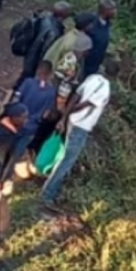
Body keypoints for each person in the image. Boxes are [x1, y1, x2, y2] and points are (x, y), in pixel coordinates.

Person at [42, 67, 111, 206]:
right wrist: (69, 112)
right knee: (66, 161)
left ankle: (49, 182)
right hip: (81, 126)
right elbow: (84, 105)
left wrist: (64, 116)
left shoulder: (91, 78)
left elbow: (76, 96)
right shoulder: (105, 88)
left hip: (72, 121)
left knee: (63, 156)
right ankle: (48, 193)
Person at [17, 2, 72, 86]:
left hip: (30, 52)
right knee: (28, 80)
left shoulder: (44, 18)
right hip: (36, 58)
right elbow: (46, 50)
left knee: (24, 77)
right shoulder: (55, 32)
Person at [13, 61, 58, 162]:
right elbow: (46, 114)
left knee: (8, 145)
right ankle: (9, 170)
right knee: (18, 152)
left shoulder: (28, 82)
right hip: (31, 127)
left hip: (16, 121)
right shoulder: (51, 92)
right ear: (50, 74)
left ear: (38, 70)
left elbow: (15, 99)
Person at [0, 103, 28, 186]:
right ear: (14, 117)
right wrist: (0, 180)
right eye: (23, 117)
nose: (26, 120)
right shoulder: (5, 136)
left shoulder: (12, 130)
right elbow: (1, 161)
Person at [82, 0, 117, 79]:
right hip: (86, 62)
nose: (115, 12)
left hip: (96, 62)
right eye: (112, 10)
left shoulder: (107, 23)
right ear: (105, 11)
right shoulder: (91, 24)